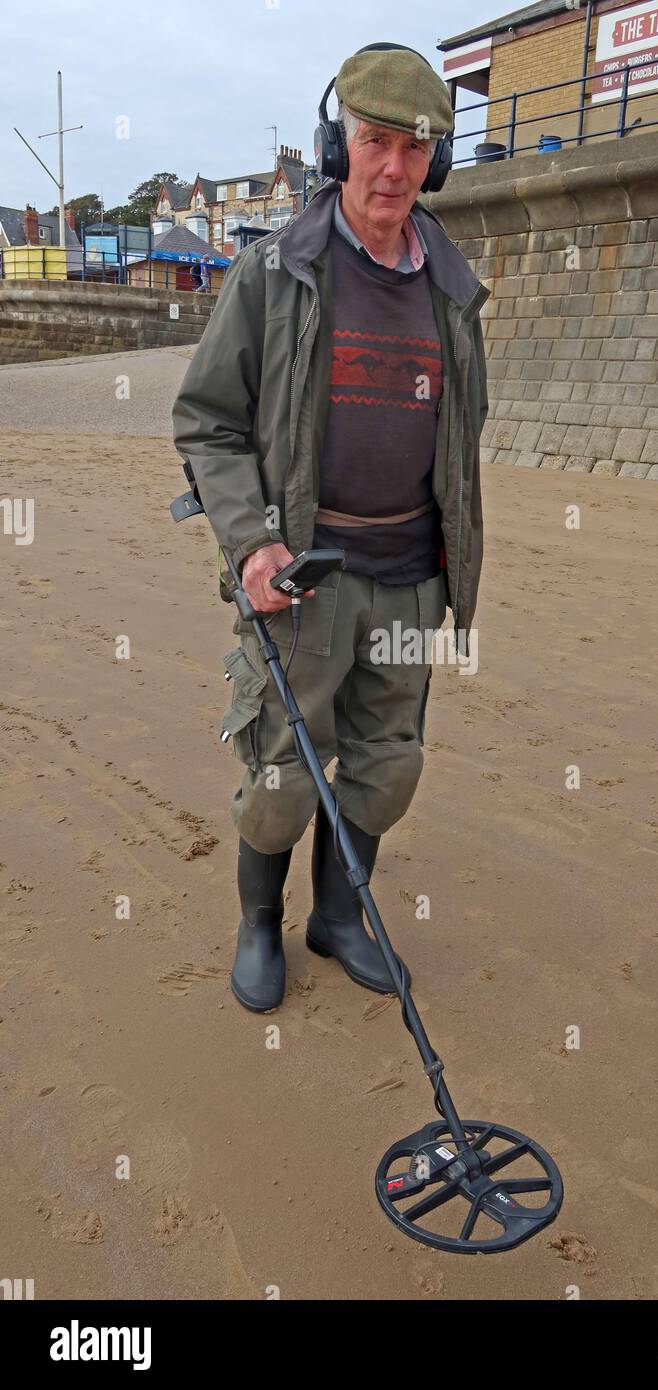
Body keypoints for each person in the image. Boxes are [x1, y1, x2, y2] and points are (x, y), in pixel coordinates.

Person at [171, 42, 489, 1013]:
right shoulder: (275, 274)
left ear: (434, 161)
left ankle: (339, 917)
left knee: (387, 765)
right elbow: (207, 421)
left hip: (407, 576)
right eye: (373, 141)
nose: (391, 168)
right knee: (279, 768)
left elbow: (458, 433)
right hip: (300, 575)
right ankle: (260, 924)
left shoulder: (452, 291)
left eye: (413, 148)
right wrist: (249, 541)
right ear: (336, 144)